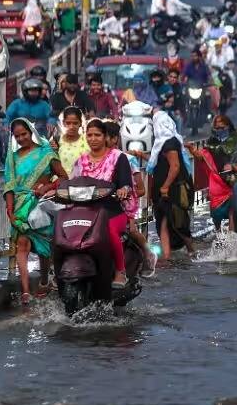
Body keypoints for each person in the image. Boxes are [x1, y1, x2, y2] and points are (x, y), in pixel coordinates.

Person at [4, 118, 68, 304]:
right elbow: (9, 186)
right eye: (17, 136)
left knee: (44, 249)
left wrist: (47, 186)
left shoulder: (46, 153)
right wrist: (10, 211)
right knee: (22, 245)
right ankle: (25, 291)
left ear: (31, 131)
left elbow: (64, 177)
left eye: (24, 134)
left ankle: (45, 280)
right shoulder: (13, 159)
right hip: (19, 207)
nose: (22, 138)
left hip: (41, 206)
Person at [68, 119, 137, 288]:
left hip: (112, 210)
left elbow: (126, 182)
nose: (93, 139)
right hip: (84, 210)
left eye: (97, 135)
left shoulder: (118, 157)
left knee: (110, 232)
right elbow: (72, 183)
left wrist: (123, 190)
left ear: (105, 136)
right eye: (89, 135)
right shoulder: (81, 161)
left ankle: (120, 272)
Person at [103, 121, 157, 277]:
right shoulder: (95, 159)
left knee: (131, 230)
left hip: (126, 203)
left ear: (114, 139)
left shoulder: (128, 159)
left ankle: (148, 253)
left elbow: (140, 189)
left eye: (103, 136)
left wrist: (123, 194)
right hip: (104, 203)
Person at [146, 111, 194, 260]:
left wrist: (165, 186)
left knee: (177, 222)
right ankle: (166, 255)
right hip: (163, 190)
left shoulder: (169, 142)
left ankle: (191, 249)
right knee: (164, 222)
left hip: (172, 190)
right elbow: (160, 162)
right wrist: (141, 155)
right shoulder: (162, 143)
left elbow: (175, 166)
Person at [186, 115, 237, 231]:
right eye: (217, 128)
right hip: (217, 182)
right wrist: (192, 150)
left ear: (228, 126)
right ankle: (218, 233)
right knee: (216, 213)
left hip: (234, 180)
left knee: (233, 210)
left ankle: (232, 235)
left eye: (222, 127)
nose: (220, 130)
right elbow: (203, 156)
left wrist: (234, 167)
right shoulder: (211, 142)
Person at [49, 105, 88, 175]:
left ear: (80, 123)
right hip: (63, 182)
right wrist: (54, 150)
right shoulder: (56, 141)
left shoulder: (87, 140)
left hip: (84, 181)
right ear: (63, 123)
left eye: (75, 123)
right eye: (68, 123)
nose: (71, 127)